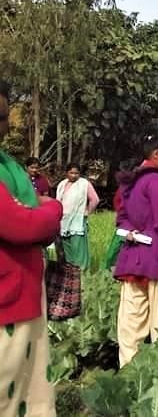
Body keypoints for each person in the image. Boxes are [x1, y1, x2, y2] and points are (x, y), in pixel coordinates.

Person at [0, 82, 62, 417]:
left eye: (3, 116)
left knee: (28, 383)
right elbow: (22, 225)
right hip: (5, 298)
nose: (3, 125)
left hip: (21, 292)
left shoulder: (8, 164)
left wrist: (39, 212)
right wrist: (52, 210)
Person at [114, 136, 158, 367]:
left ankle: (128, 372)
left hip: (132, 255)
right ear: (157, 154)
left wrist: (129, 232)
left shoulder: (130, 181)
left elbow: (122, 219)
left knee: (130, 321)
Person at [55, 163, 100, 271]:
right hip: (63, 220)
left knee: (78, 247)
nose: (74, 175)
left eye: (76, 173)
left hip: (77, 220)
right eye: (71, 173)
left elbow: (95, 199)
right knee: (65, 246)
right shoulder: (62, 184)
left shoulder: (84, 184)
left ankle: (81, 270)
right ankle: (69, 271)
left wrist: (87, 212)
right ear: (66, 173)